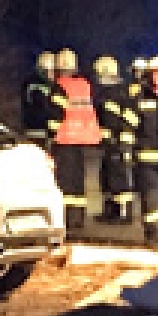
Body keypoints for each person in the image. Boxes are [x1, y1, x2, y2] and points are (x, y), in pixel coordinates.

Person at [47, 49, 101, 229]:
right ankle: (79, 218)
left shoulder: (59, 85)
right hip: (84, 137)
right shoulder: (84, 84)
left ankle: (68, 219)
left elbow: (56, 113)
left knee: (65, 181)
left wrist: (51, 134)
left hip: (64, 138)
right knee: (79, 179)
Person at [129, 56, 158, 243]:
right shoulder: (139, 99)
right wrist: (128, 153)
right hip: (147, 161)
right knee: (151, 201)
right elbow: (130, 128)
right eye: (155, 73)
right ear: (148, 76)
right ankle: (153, 237)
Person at [92, 56, 137, 223]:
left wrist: (116, 136)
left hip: (118, 141)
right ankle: (111, 211)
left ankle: (124, 214)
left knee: (120, 178)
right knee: (109, 175)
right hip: (114, 141)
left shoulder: (114, 93)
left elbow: (117, 118)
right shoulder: (118, 91)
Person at [20, 52, 57, 144]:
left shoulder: (32, 83)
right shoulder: (38, 86)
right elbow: (42, 107)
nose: (54, 74)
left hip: (37, 131)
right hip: (39, 132)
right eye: (52, 70)